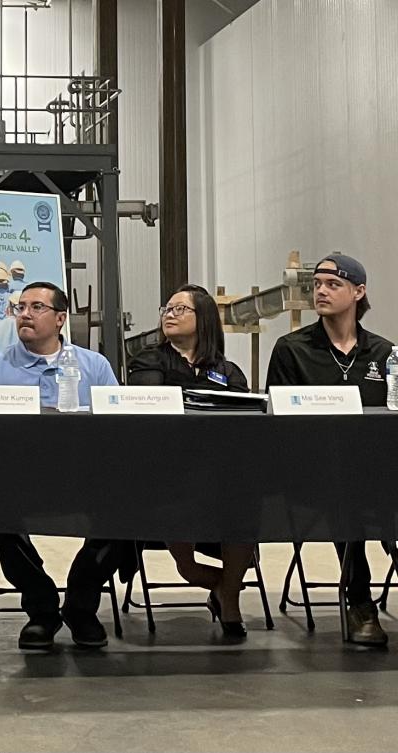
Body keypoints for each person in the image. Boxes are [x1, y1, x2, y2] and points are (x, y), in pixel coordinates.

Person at [0, 281, 122, 650]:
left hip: (85, 481)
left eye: (37, 307)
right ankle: (41, 609)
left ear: (60, 319)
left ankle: (81, 604)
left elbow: (120, 430)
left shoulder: (94, 366)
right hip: (17, 483)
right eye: (20, 307)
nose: (24, 313)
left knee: (130, 506)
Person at [266, 254, 393, 646]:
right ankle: (360, 602)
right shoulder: (292, 349)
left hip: (377, 472)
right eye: (316, 284)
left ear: (359, 292)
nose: (320, 290)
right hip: (311, 475)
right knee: (347, 490)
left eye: (332, 284)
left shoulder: (384, 353)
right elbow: (278, 425)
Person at [128, 284, 253, 637]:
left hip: (221, 474)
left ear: (205, 319)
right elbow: (151, 409)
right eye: (167, 308)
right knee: (188, 559)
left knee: (245, 499)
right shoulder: (149, 359)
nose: (170, 314)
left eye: (180, 309)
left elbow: (244, 423)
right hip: (166, 472)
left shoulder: (228, 371)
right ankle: (223, 586)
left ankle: (228, 599)